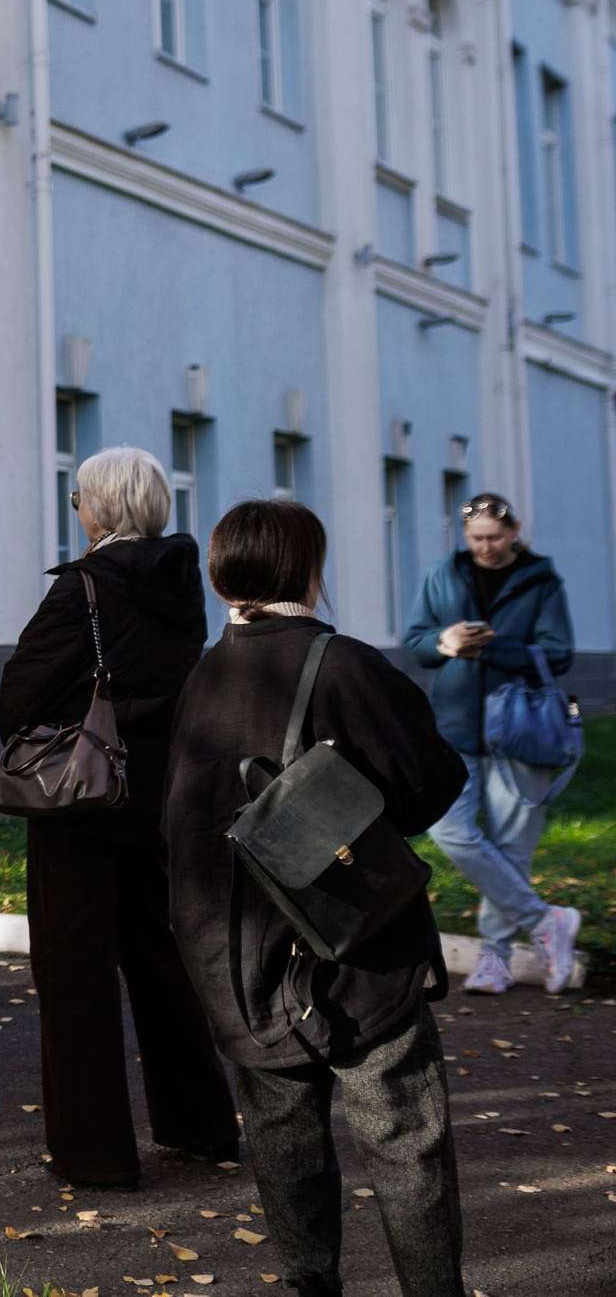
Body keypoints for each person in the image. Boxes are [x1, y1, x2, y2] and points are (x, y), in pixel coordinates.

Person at [169, 498, 468, 1297]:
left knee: (283, 1148)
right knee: (406, 1144)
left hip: (238, 962)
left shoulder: (203, 673)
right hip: (355, 948)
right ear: (308, 567)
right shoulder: (344, 664)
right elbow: (433, 780)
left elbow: (183, 824)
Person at [0, 447, 239, 1186]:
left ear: (98, 507)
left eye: (77, 499)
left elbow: (19, 699)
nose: (76, 511)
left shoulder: (85, 588)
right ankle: (200, 1125)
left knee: (74, 974)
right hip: (156, 795)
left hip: (82, 799)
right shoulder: (182, 585)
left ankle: (94, 1151)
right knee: (160, 961)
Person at [402, 492, 583, 995]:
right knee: (450, 831)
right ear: (465, 535)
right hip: (455, 728)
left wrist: (489, 648)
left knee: (511, 846)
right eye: (477, 537)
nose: (486, 546)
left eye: (496, 537)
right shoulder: (443, 574)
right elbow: (415, 639)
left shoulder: (541, 580)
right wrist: (446, 643)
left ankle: (496, 960)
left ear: (515, 530)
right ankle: (547, 921)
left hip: (524, 732)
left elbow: (558, 653)